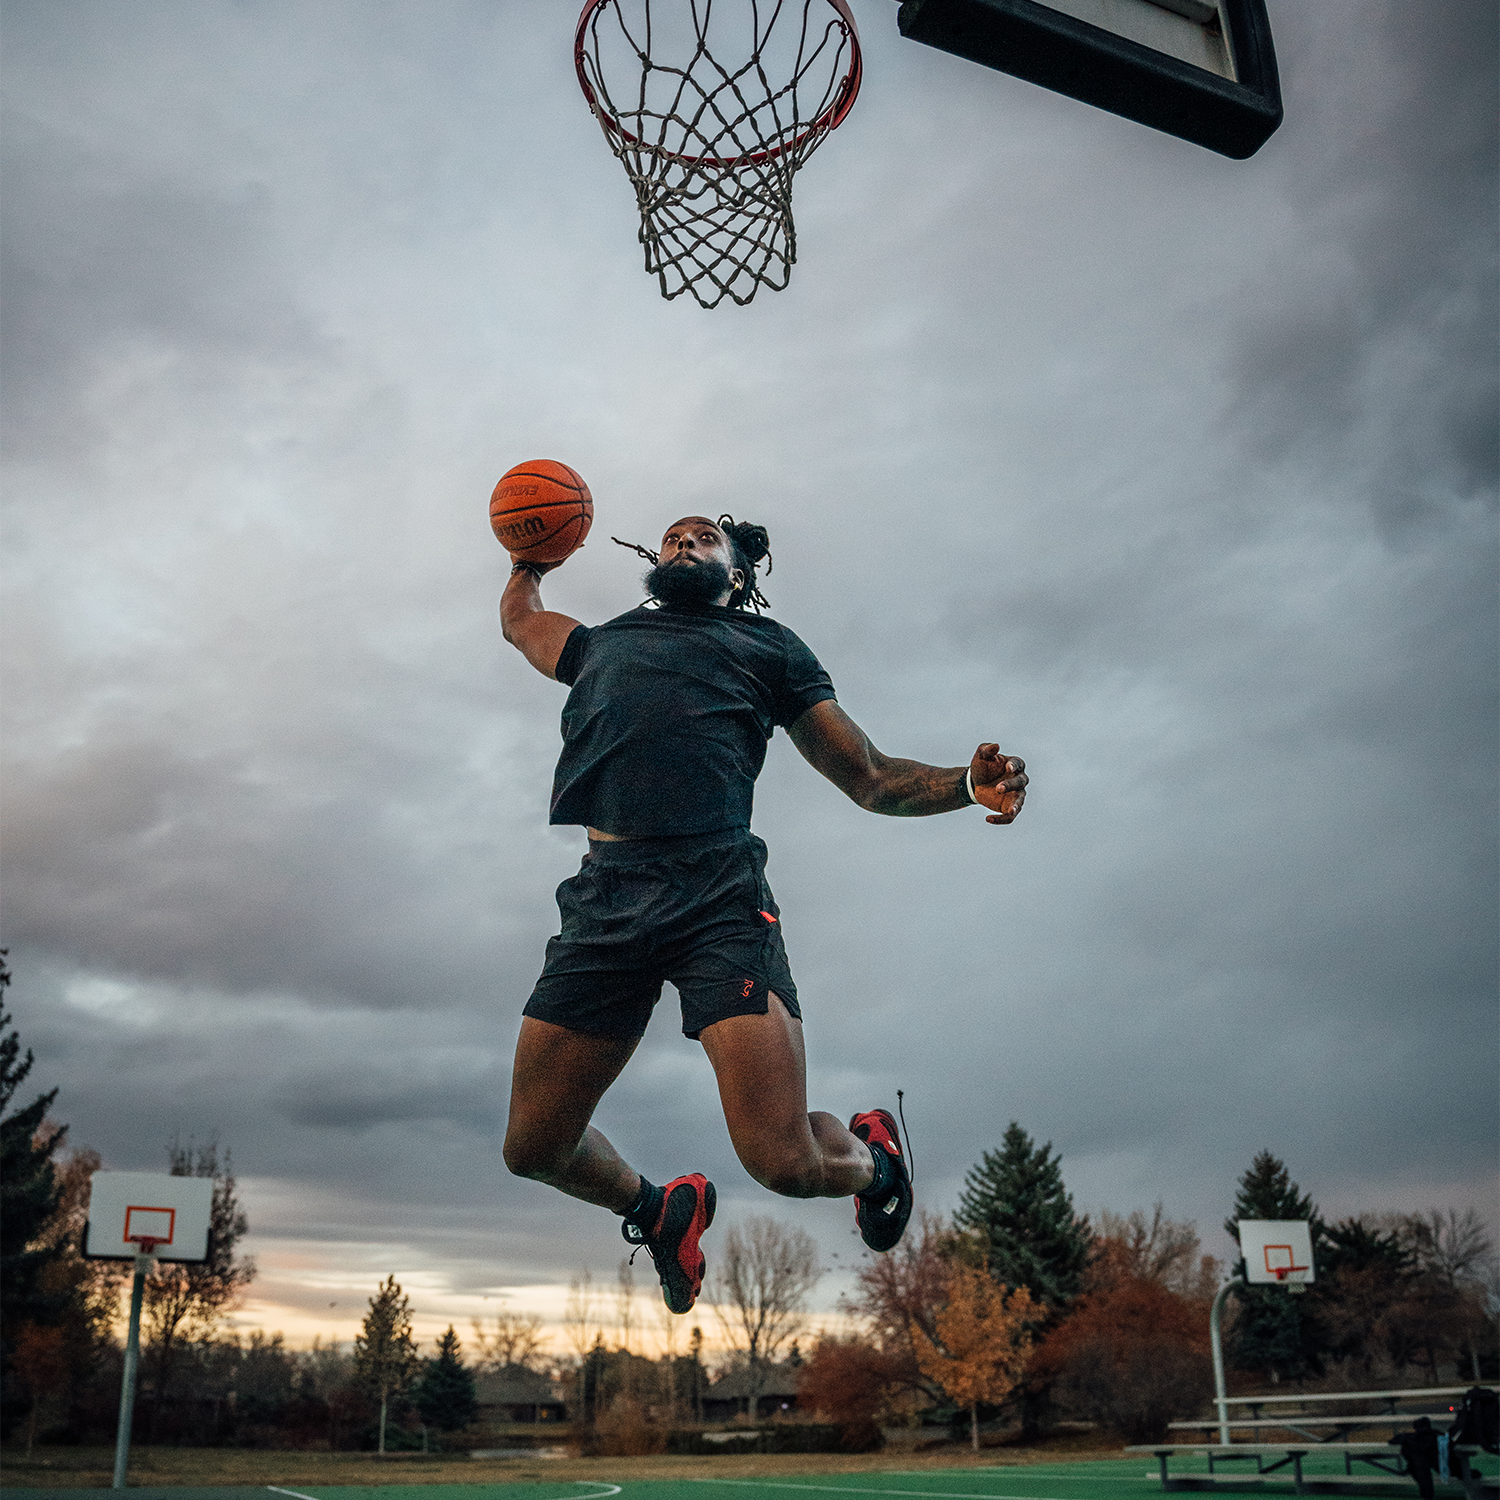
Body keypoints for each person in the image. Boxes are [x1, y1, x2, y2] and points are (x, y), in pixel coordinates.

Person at [499, 514, 1029, 1314]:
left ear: (739, 573)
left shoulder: (770, 649)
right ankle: (658, 1210)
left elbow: (872, 776)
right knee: (533, 1148)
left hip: (719, 901)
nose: (683, 544)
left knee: (783, 1163)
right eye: (674, 537)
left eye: (705, 539)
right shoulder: (599, 645)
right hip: (606, 900)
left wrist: (964, 783)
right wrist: (527, 559)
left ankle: (877, 1163)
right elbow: (521, 622)